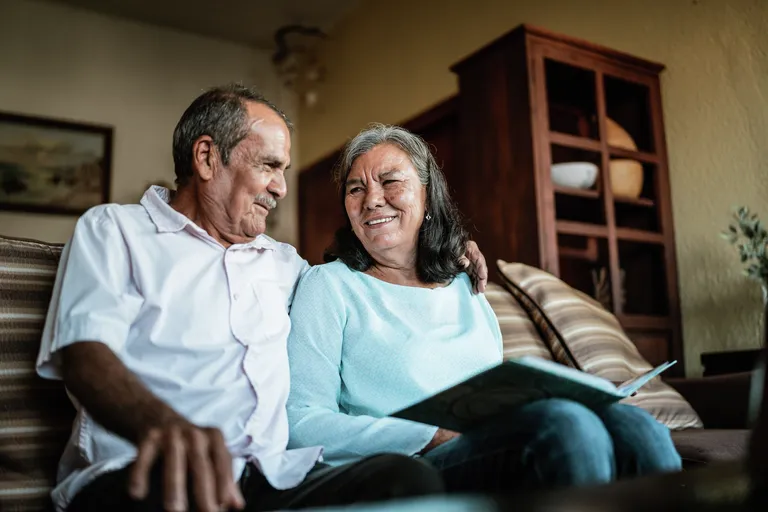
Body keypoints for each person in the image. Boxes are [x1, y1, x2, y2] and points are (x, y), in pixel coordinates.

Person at [35, 85, 493, 512]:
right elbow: (84, 353)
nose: (281, 188)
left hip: (273, 479)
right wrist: (160, 423)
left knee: (405, 480)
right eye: (269, 166)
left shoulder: (286, 266)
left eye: (283, 171)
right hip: (145, 472)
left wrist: (446, 249)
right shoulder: (115, 230)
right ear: (207, 157)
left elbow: (368, 276)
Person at [284, 123, 683, 495]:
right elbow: (301, 421)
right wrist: (428, 433)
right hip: (414, 460)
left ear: (427, 196)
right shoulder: (330, 285)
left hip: (494, 437)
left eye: (390, 181)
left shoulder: (464, 284)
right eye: (355, 189)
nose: (372, 199)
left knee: (638, 427)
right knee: (564, 425)